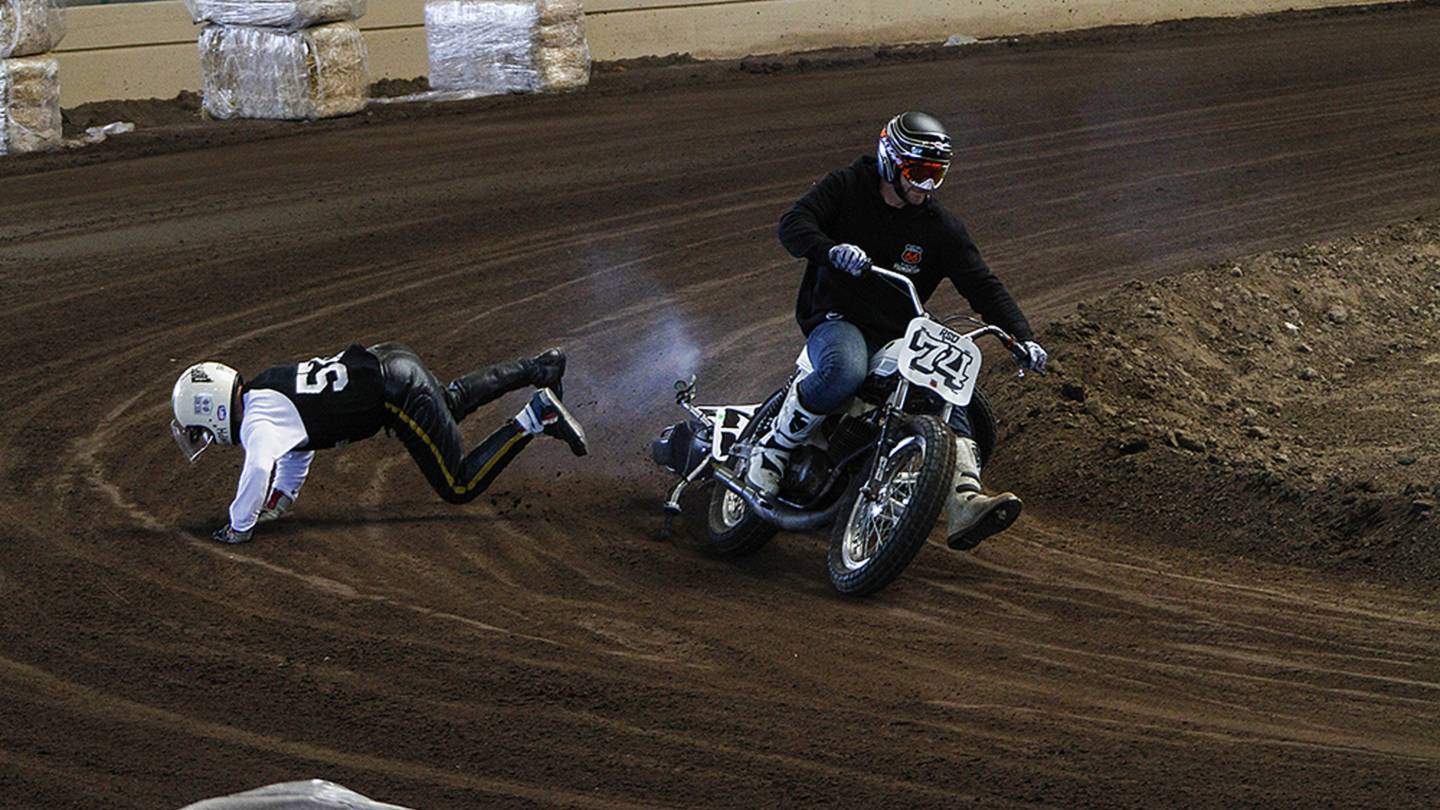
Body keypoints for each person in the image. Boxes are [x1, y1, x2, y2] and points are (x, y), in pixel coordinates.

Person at [745, 111, 1049, 551]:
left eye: (936, 175)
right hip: (837, 317)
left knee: (946, 388)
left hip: (898, 332)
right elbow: (794, 224)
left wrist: (1022, 335)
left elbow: (981, 283)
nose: (926, 186)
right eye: (919, 173)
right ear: (891, 161)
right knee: (846, 370)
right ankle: (771, 448)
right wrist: (830, 251)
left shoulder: (939, 227)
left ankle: (964, 498)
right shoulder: (848, 186)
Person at [169, 342, 587, 544]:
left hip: (395, 395)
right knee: (450, 402)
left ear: (213, 411)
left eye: (199, 427)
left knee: (457, 485)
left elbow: (259, 466)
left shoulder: (257, 425)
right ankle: (540, 367)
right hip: (391, 360)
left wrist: (239, 527)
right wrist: (281, 499)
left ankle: (536, 417)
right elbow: (298, 446)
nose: (204, 436)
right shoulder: (264, 389)